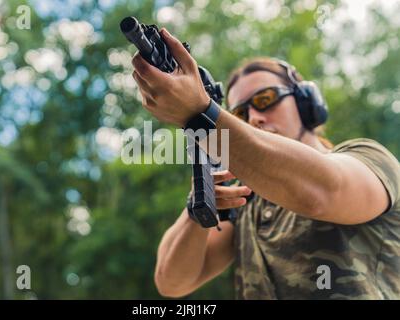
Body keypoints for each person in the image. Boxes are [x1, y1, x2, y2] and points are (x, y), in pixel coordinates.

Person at [131, 28, 400, 299]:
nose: (254, 118)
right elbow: (172, 282)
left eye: (265, 100)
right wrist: (199, 203)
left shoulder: (369, 157)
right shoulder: (245, 202)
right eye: (239, 113)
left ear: (307, 102)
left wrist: (200, 114)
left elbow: (322, 193)